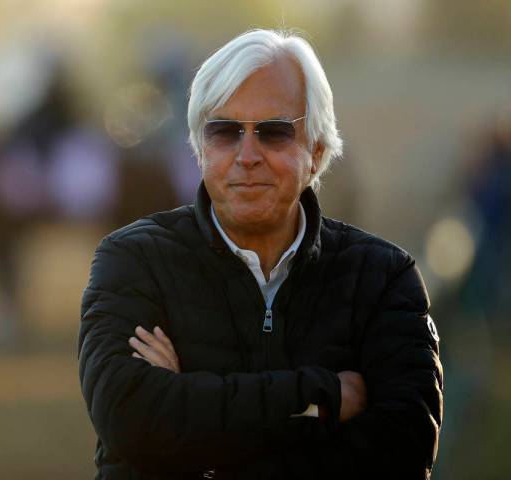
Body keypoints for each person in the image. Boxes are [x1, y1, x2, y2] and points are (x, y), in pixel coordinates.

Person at [79, 29, 443, 479]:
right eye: (224, 131)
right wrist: (321, 395)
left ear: (317, 151)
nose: (246, 154)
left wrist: (187, 410)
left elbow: (403, 454)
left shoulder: (384, 279)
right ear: (199, 148)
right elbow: (128, 422)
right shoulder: (134, 260)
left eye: (273, 133)